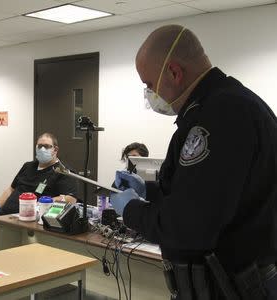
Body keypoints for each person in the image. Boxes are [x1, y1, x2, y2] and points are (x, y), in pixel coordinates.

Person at [111, 25, 277, 299]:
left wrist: (131, 210)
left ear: (174, 73)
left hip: (234, 287)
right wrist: (148, 190)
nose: (149, 94)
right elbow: (205, 194)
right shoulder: (227, 104)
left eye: (149, 84)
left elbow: (187, 227)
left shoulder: (221, 116)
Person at [0, 132, 78, 253]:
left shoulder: (62, 171)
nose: (42, 149)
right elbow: (11, 189)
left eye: (47, 146)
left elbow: (71, 198)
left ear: (55, 150)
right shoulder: (28, 166)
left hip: (29, 221)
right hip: (5, 215)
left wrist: (45, 201)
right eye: (39, 146)